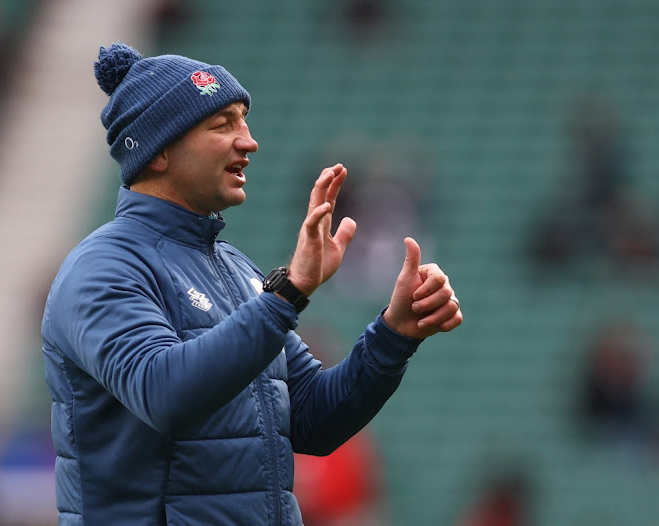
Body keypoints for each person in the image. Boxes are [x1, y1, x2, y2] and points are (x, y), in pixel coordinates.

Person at [42, 42, 463, 526]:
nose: (249, 141)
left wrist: (394, 335)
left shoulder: (235, 269)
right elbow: (164, 394)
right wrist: (287, 293)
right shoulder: (103, 267)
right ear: (157, 152)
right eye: (222, 125)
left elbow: (310, 417)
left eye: (243, 120)